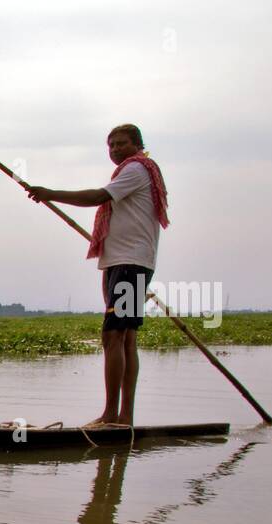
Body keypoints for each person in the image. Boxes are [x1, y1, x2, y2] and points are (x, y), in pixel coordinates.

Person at [25, 125, 169, 426]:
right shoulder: (132, 172)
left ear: (138, 145)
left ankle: (113, 415)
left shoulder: (137, 170)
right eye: (111, 145)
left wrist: (49, 193)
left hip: (131, 263)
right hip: (120, 262)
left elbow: (97, 196)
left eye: (121, 144)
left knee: (113, 335)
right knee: (124, 336)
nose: (115, 149)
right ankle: (122, 416)